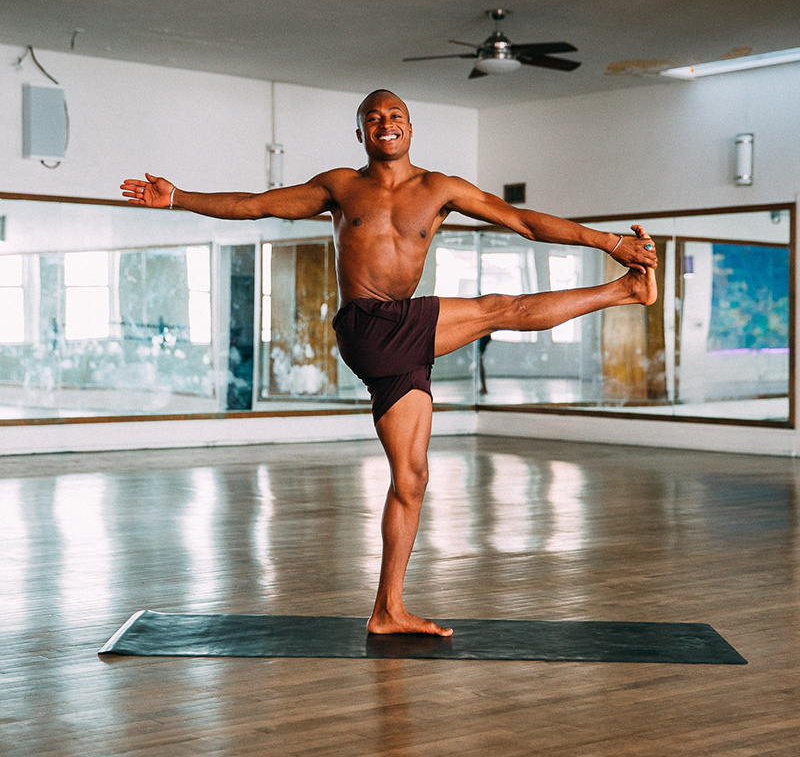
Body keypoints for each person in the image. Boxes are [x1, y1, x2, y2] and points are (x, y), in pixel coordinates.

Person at [121, 89, 657, 637]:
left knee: (411, 478)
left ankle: (387, 610)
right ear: (361, 133)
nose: (385, 123)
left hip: (399, 335)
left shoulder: (440, 189)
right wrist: (177, 197)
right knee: (500, 309)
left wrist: (607, 240)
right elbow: (256, 204)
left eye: (395, 115)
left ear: (410, 127)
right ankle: (624, 292)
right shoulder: (340, 186)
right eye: (372, 118)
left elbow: (521, 221)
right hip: (367, 325)